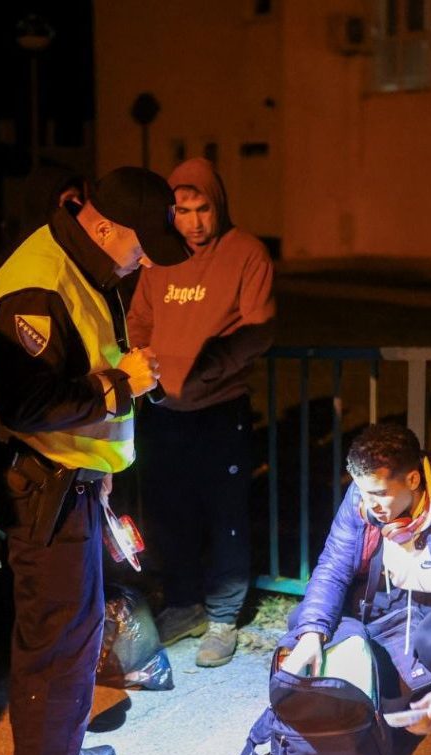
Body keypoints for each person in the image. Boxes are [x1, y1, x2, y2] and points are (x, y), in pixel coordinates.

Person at [0, 166, 189, 755]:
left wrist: (103, 460)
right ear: (103, 225)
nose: (145, 260)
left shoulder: (82, 266)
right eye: (140, 245)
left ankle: (54, 753)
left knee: (74, 633)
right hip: (46, 489)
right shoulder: (41, 283)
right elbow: (25, 402)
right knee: (57, 644)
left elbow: (72, 373)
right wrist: (119, 386)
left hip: (73, 480)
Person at [127, 157, 276, 668]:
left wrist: (206, 371)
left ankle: (223, 616)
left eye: (202, 209)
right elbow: (139, 319)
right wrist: (144, 365)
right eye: (183, 211)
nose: (193, 222)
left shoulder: (247, 253)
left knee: (226, 515)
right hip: (163, 409)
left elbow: (258, 329)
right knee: (169, 513)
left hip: (219, 409)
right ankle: (184, 603)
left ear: (219, 205)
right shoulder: (160, 257)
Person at [280, 423, 431, 737]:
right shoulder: (362, 498)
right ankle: (361, 695)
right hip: (396, 595)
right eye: (363, 491)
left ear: (413, 480)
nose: (370, 505)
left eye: (380, 494)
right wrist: (312, 633)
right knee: (305, 620)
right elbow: (333, 566)